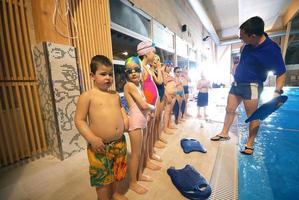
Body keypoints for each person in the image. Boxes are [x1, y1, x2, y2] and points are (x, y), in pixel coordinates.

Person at [210, 16, 286, 155]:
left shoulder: (272, 49)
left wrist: (277, 93)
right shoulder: (247, 45)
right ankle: (224, 133)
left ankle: (250, 144)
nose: (241, 38)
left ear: (253, 36)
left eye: (242, 36)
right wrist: (237, 67)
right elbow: (244, 59)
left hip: (252, 86)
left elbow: (281, 73)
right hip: (237, 83)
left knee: (253, 116)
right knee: (229, 109)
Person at [74, 55, 129, 200]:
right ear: (92, 76)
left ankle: (116, 193)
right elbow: (79, 120)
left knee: (118, 172)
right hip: (100, 146)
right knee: (102, 179)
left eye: (110, 74)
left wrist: (125, 118)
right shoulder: (87, 96)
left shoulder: (115, 94)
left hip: (120, 142)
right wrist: (91, 138)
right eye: (103, 74)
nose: (108, 77)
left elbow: (121, 108)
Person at [123, 56, 155, 194]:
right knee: (135, 154)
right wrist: (152, 108)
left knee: (140, 151)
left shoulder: (138, 85)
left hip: (142, 120)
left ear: (141, 71)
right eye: (130, 71)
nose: (133, 73)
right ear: (126, 74)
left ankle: (139, 174)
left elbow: (142, 105)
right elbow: (142, 105)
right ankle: (132, 183)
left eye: (136, 70)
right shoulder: (129, 86)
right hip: (135, 122)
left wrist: (147, 114)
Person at [137, 40, 162, 171]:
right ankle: (145, 160)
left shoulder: (146, 67)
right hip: (147, 108)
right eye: (153, 51)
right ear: (146, 53)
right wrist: (146, 108)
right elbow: (140, 90)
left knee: (150, 133)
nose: (154, 54)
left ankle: (149, 155)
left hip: (151, 106)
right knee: (145, 136)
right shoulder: (140, 67)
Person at [162, 60, 177, 134]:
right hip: (168, 95)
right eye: (169, 66)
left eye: (171, 66)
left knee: (170, 111)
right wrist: (170, 79)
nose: (170, 68)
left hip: (173, 95)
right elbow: (163, 83)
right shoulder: (163, 73)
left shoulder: (169, 74)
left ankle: (169, 124)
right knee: (167, 112)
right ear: (165, 66)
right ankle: (165, 128)